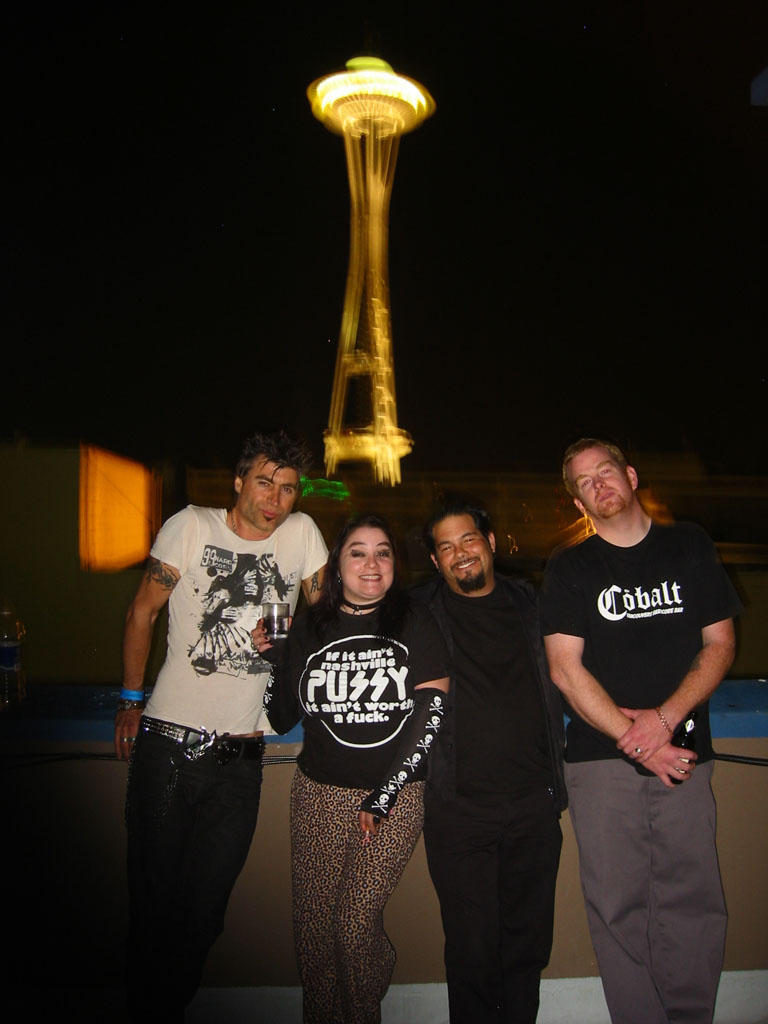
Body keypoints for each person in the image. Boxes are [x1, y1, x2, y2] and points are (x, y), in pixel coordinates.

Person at [114, 430, 328, 1023]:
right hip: (168, 746)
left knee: (205, 913)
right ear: (239, 481)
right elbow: (142, 611)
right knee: (152, 906)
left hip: (243, 758)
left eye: (287, 488)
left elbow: (328, 621)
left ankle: (160, 1008)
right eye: (265, 482)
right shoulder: (192, 525)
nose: (276, 499)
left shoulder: (302, 535)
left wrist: (287, 647)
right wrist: (130, 699)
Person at [541, 438, 741, 1024]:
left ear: (629, 475)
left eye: (606, 471)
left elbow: (720, 644)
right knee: (617, 908)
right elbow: (564, 669)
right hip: (600, 765)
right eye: (584, 482)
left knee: (694, 903)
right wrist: (635, 742)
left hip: (682, 754)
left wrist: (662, 721)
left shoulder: (689, 544)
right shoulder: (571, 567)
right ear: (578, 501)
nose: (599, 484)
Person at [255, 514, 449, 1024]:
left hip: (395, 797)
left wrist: (384, 794)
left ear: (394, 565)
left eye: (383, 552)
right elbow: (280, 718)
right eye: (358, 552)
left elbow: (431, 714)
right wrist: (275, 659)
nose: (371, 563)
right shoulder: (310, 625)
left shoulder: (415, 620)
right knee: (315, 935)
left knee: (354, 926)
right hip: (318, 794)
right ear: (337, 565)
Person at [412, 499, 567, 1024]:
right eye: (446, 547)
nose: (460, 553)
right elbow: (348, 627)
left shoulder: (533, 603)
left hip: (533, 804)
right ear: (435, 561)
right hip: (459, 809)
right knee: (472, 951)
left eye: (469, 539)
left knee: (527, 949)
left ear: (491, 542)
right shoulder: (415, 610)